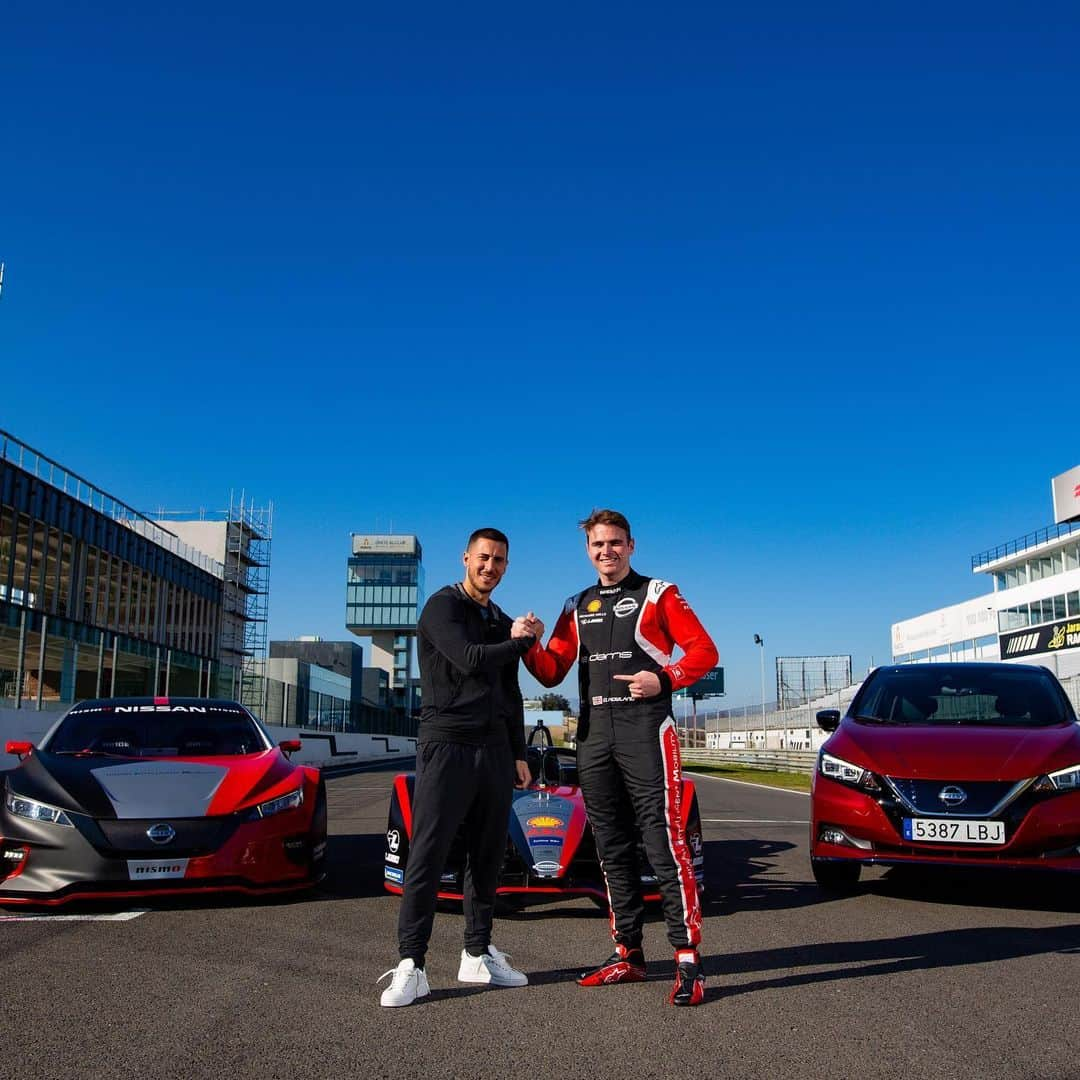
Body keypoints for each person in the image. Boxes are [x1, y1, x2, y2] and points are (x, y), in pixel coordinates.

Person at [522, 509, 718, 1007]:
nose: (606, 552)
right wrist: (526, 643)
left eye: (614, 543)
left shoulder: (659, 593)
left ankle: (688, 962)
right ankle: (627, 953)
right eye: (597, 545)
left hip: (646, 729)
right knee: (610, 847)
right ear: (587, 550)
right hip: (593, 737)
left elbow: (704, 651)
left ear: (632, 545)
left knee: (663, 841)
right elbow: (550, 672)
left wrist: (665, 678)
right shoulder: (576, 604)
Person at [379, 527, 535, 1007]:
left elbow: (509, 694)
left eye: (500, 561)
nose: (491, 567)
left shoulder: (502, 621)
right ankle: (412, 964)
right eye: (484, 558)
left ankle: (476, 953)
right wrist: (522, 642)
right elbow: (469, 660)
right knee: (427, 854)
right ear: (467, 558)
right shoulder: (442, 607)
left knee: (486, 856)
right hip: (446, 744)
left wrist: (518, 751)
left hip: (492, 750)